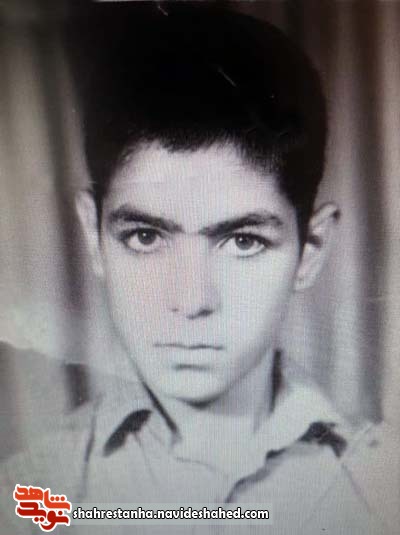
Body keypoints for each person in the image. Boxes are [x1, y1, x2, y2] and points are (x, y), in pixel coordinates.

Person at [0, 3, 398, 534]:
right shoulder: (30, 500)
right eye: (145, 237)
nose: (191, 301)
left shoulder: (384, 489)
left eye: (243, 241)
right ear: (94, 237)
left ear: (311, 249)